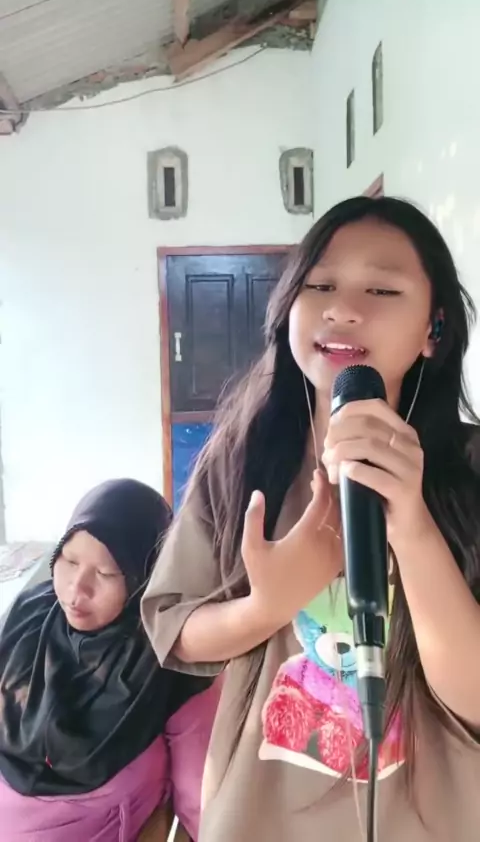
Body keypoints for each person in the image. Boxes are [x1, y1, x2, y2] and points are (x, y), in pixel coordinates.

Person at [141, 196, 480, 842]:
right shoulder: (243, 459)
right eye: (318, 285)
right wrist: (266, 606)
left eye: (382, 289)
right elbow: (175, 631)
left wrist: (411, 525)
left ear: (434, 330)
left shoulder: (470, 468)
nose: (342, 308)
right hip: (262, 820)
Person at [0, 479, 219, 842]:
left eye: (104, 573)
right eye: (69, 560)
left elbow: (200, 791)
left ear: (142, 577)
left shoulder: (168, 653)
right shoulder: (30, 615)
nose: (76, 589)